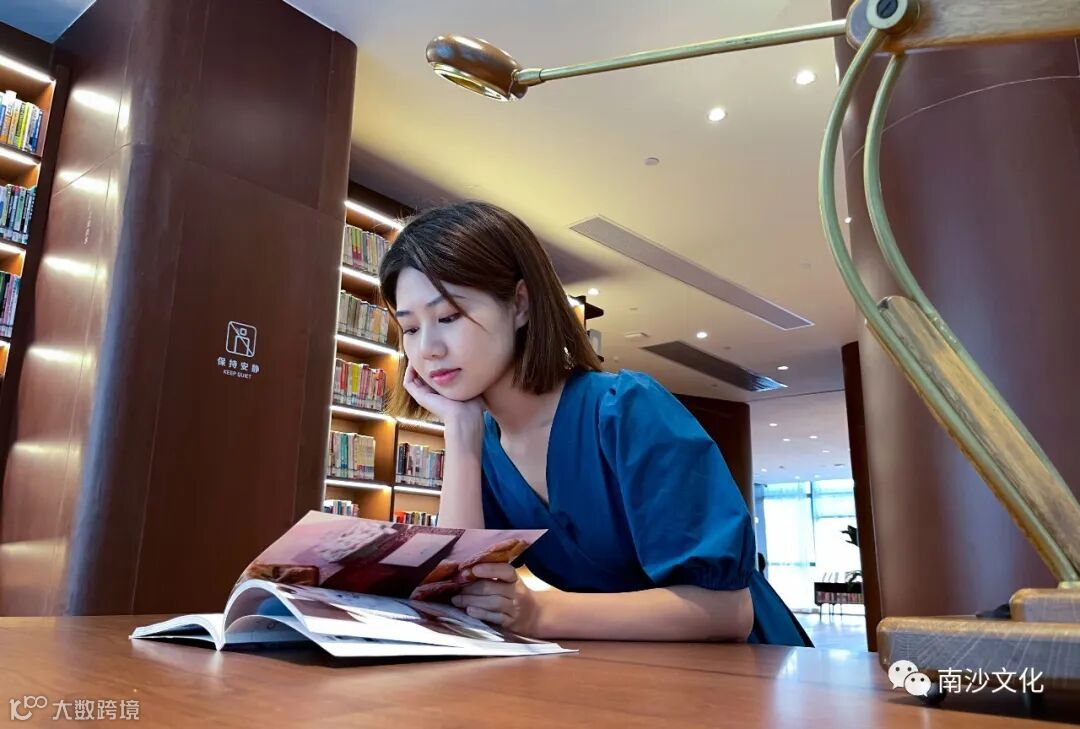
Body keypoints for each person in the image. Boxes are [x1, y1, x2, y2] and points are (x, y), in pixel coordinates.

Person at [378, 200, 811, 646]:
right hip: (618, 667)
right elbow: (458, 592)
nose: (427, 349)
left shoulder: (626, 409)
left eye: (448, 317)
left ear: (520, 304)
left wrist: (540, 612)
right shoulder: (484, 445)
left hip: (739, 667)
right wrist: (460, 433)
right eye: (410, 329)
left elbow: (728, 612)